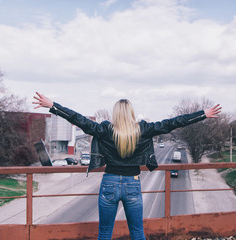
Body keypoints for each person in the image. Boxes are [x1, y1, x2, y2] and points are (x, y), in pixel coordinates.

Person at [32, 92, 221, 240]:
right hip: (133, 184)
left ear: (115, 113)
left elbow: (78, 119)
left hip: (109, 183)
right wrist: (202, 114)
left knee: (104, 234)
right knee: (138, 234)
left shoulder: (104, 130)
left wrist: (53, 106)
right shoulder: (143, 130)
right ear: (131, 113)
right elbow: (172, 123)